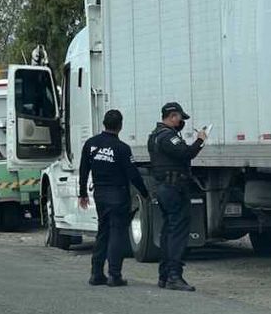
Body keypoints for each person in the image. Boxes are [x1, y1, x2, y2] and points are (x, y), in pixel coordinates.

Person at [79, 109, 150, 287]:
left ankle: (96, 274)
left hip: (100, 195)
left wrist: (82, 193)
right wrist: (145, 193)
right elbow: (133, 174)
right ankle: (114, 275)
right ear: (120, 126)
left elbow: (83, 169)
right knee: (117, 234)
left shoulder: (91, 144)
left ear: (104, 123)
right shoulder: (122, 148)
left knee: (102, 232)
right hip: (118, 195)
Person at [147, 102, 206, 292]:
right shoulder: (167, 137)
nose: (182, 122)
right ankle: (174, 275)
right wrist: (200, 140)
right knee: (177, 232)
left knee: (168, 230)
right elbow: (186, 153)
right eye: (180, 118)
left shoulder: (154, 136)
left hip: (165, 188)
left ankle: (165, 275)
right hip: (174, 189)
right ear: (172, 116)